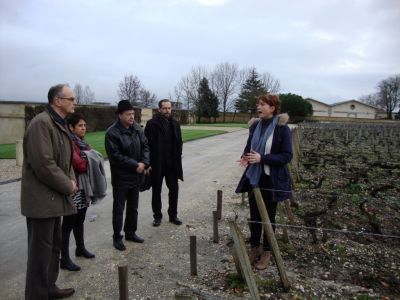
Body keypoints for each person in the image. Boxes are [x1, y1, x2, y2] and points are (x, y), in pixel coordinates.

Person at [21, 84, 77, 299]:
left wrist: (71, 177)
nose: (74, 102)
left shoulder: (58, 124)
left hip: (53, 199)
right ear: (57, 101)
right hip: (41, 200)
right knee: (39, 254)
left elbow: (64, 159)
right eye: (71, 98)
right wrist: (68, 185)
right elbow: (43, 163)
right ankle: (36, 294)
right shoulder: (41, 124)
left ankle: (49, 287)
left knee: (53, 247)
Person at [235, 94, 292, 270]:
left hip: (271, 179)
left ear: (273, 108)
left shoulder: (282, 128)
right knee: (254, 216)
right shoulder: (255, 126)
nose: (258, 107)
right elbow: (249, 148)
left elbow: (286, 156)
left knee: (268, 217)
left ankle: (267, 251)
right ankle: (254, 248)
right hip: (254, 177)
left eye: (262, 104)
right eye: (258, 104)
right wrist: (245, 157)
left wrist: (263, 158)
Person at [60, 113, 107, 271]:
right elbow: (80, 164)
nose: (84, 128)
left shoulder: (81, 143)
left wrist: (88, 156)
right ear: (71, 127)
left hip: (83, 187)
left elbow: (88, 157)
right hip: (74, 188)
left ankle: (80, 248)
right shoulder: (68, 142)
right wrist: (90, 156)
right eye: (80, 126)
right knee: (68, 224)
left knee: (80, 220)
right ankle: (64, 258)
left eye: (85, 125)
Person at [105, 100, 150, 251]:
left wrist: (144, 163)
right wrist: (135, 165)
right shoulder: (112, 133)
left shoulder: (137, 128)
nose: (132, 117)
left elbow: (145, 145)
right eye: (128, 114)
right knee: (119, 210)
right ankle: (117, 237)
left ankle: (130, 232)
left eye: (133, 114)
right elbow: (115, 156)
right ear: (119, 115)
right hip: (121, 178)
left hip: (136, 176)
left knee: (133, 208)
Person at [144, 99, 183, 227]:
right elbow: (146, 145)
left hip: (172, 163)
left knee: (174, 190)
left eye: (169, 108)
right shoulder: (151, 124)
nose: (167, 110)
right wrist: (147, 163)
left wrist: (178, 156)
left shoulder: (175, 124)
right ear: (159, 109)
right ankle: (157, 216)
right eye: (165, 108)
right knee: (156, 191)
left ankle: (173, 215)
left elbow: (179, 142)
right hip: (157, 163)